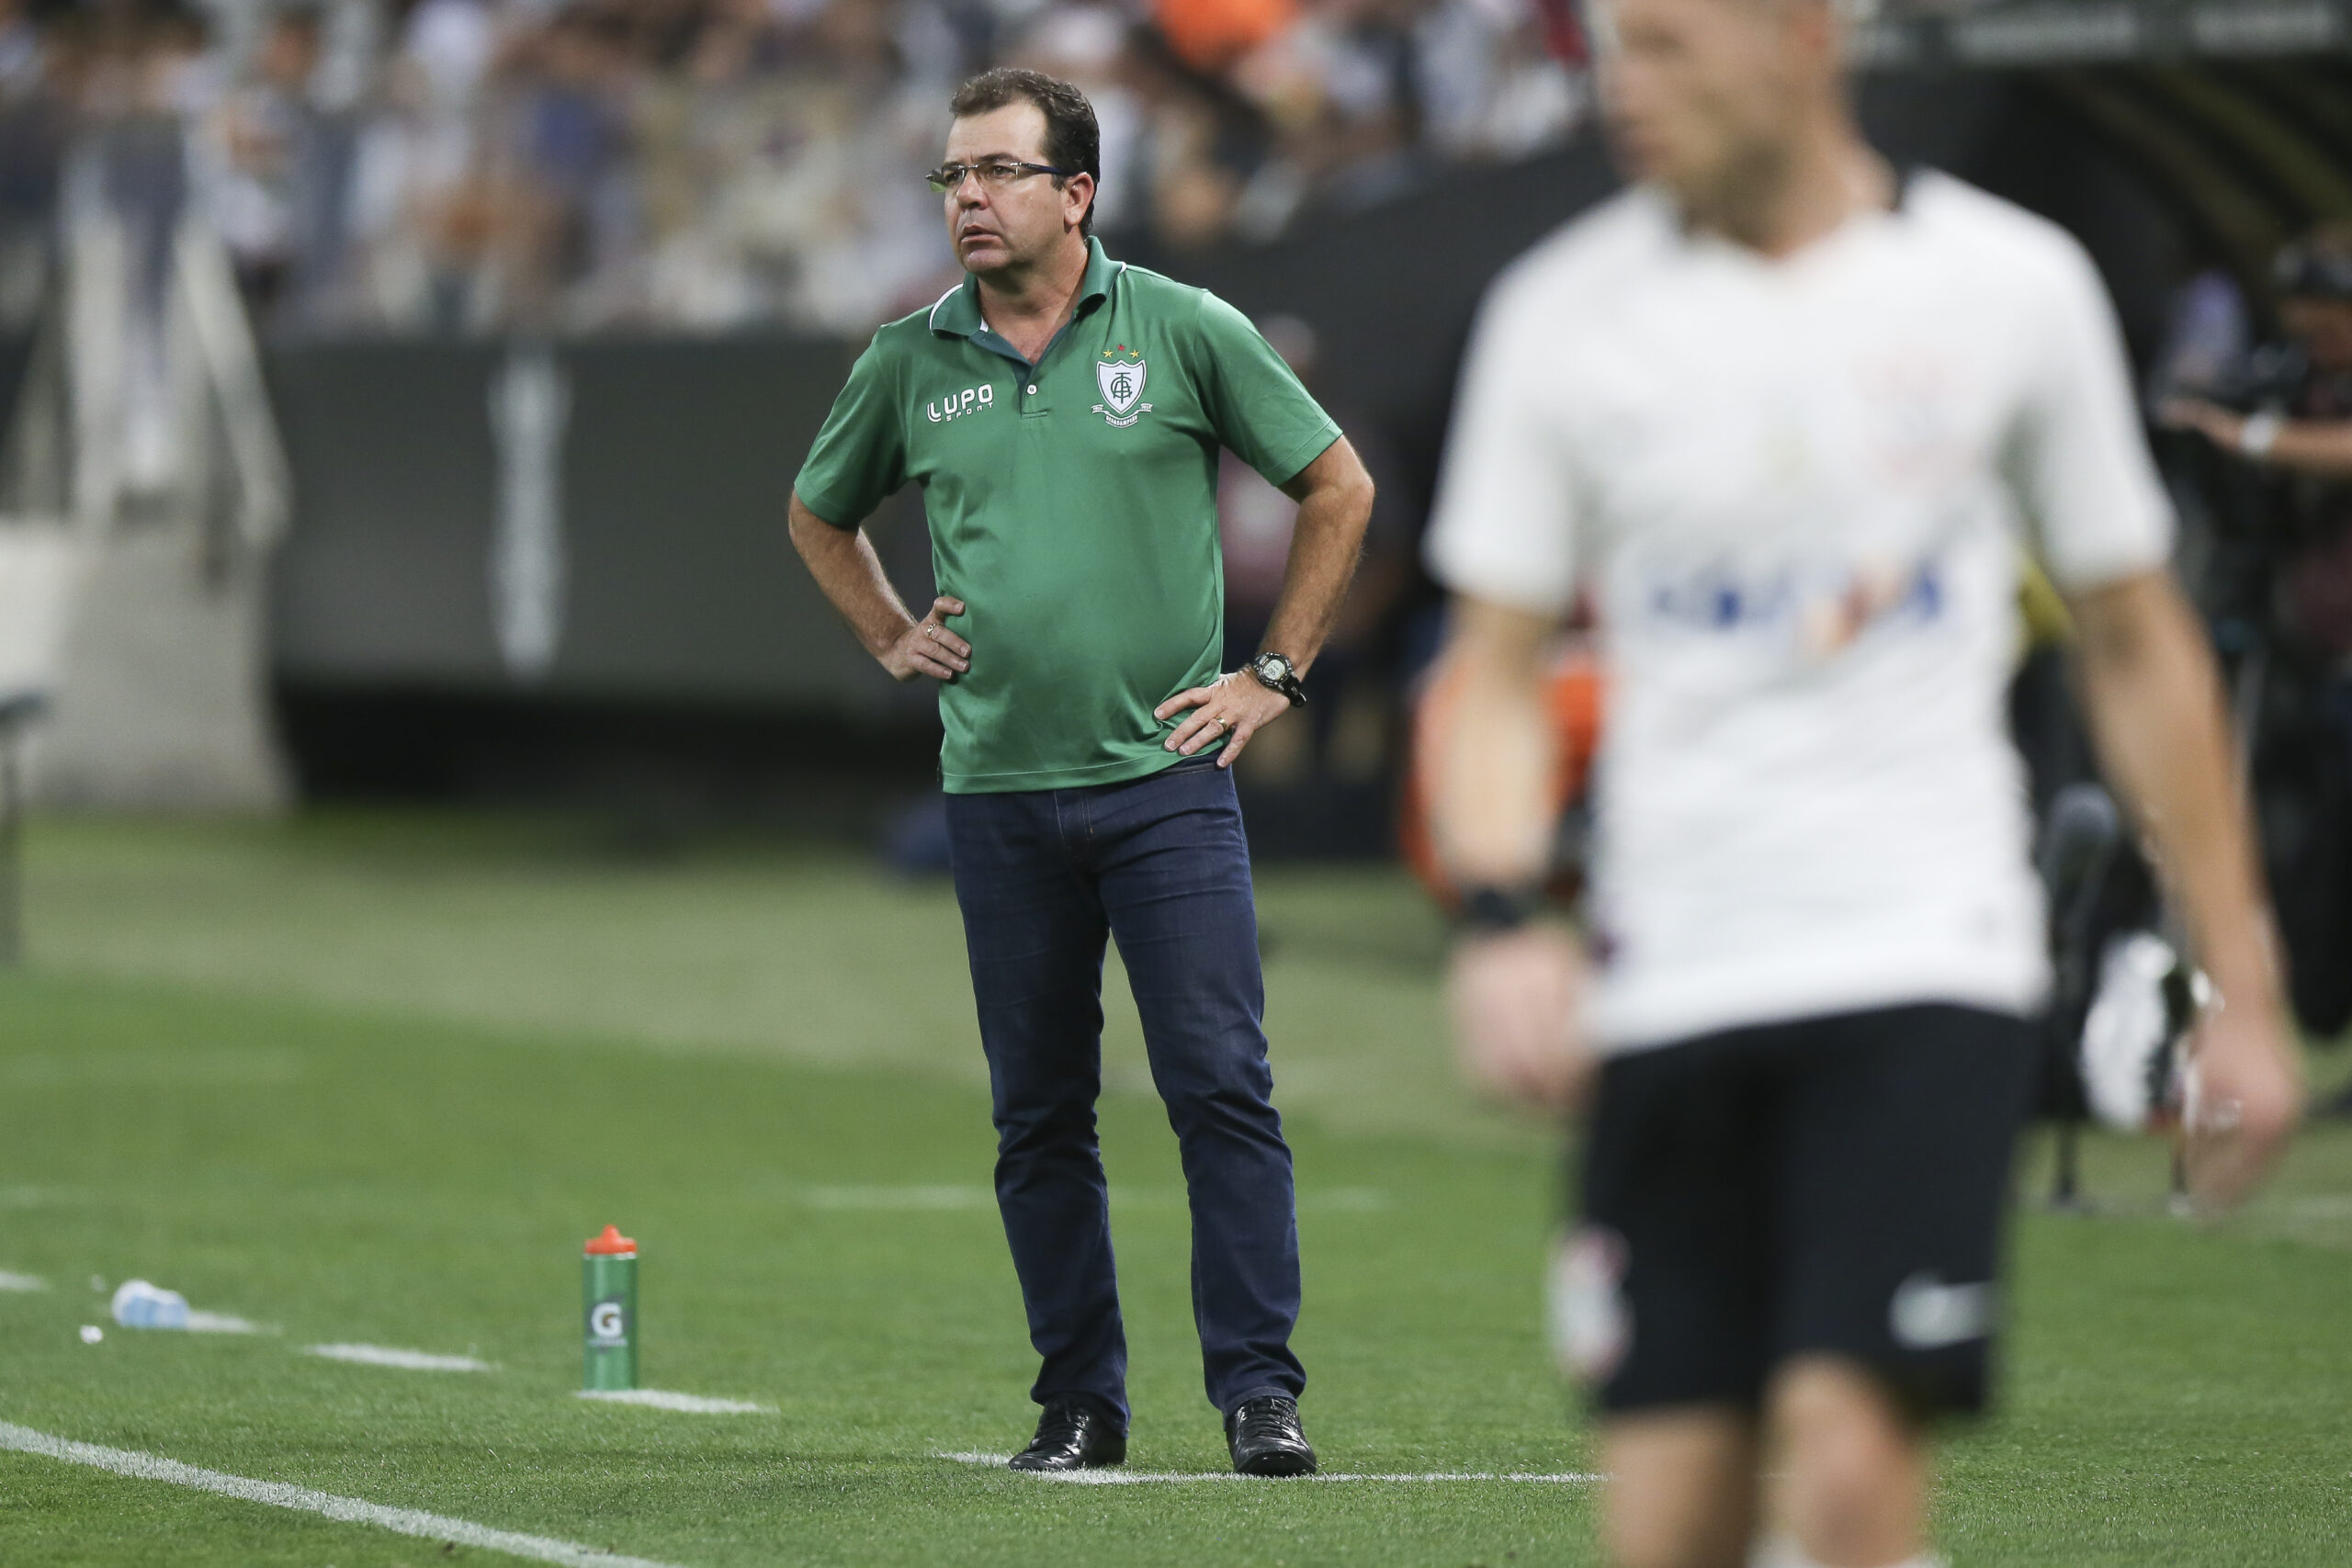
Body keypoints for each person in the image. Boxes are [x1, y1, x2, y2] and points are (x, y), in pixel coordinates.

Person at [1419, 2, 2304, 1566]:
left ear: (1806, 39)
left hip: (1927, 946)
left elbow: (2135, 638)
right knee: (1674, 1520)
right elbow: (1491, 667)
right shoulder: (1560, 317)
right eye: (1614, 49)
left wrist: (2241, 975)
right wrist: (1498, 916)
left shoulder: (2008, 287)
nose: (1627, 88)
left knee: (1845, 1462)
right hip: (1671, 966)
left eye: (1671, 46)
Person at [786, 66, 1374, 1476]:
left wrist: (1273, 674)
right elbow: (818, 513)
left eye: (997, 171)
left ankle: (1259, 1395)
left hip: (1166, 783)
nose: (968, 199)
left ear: (1077, 193)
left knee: (1220, 1085)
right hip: (996, 791)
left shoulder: (1183, 327)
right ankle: (1080, 1405)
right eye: (953, 176)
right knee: (1040, 1114)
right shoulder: (909, 357)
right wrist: (889, 634)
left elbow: (1337, 487)